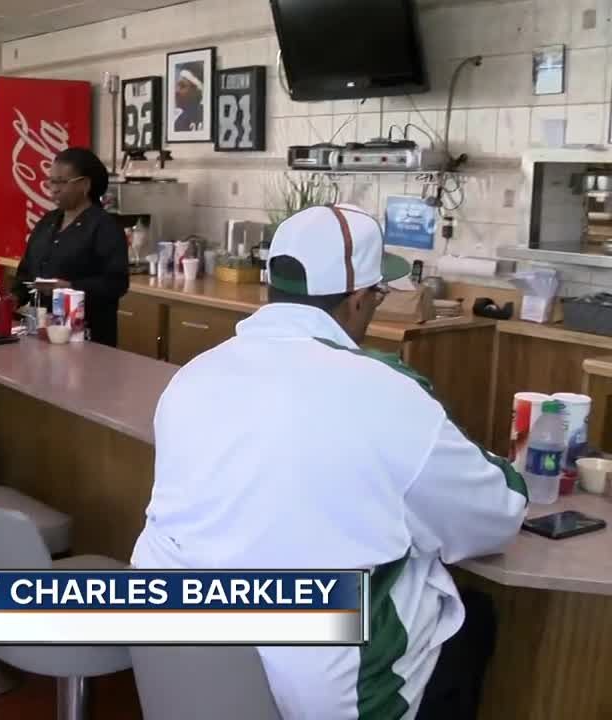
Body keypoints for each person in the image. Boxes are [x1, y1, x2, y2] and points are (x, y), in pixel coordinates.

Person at [131, 204, 528, 720]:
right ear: (360, 299)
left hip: (173, 642)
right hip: (317, 677)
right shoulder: (387, 392)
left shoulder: (195, 373)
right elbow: (492, 519)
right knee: (474, 621)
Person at [12, 147, 128, 347]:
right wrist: (14, 296)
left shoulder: (105, 227)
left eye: (61, 182)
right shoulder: (48, 221)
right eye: (51, 181)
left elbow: (116, 283)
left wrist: (69, 288)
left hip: (86, 336)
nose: (53, 188)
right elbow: (26, 271)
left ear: (84, 185)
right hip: (41, 330)